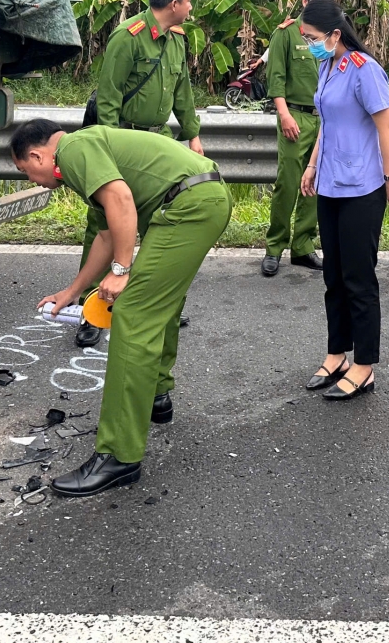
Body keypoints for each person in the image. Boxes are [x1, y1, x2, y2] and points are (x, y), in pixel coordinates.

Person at [12, 118, 231, 496]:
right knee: (160, 303)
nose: (31, 179)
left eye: (25, 171)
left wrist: (121, 270)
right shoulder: (87, 158)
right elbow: (107, 233)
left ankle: (118, 455)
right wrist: (74, 290)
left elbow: (121, 201)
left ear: (37, 155)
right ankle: (156, 396)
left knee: (134, 313)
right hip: (198, 200)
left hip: (188, 206)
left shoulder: (75, 150)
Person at [74, 0, 204, 349]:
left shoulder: (176, 40)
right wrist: (109, 152)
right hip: (122, 141)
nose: (191, 7)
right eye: (190, 0)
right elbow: (109, 99)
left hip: (158, 145)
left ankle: (149, 304)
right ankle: (91, 309)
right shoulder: (126, 38)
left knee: (154, 226)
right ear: (174, 3)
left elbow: (183, 92)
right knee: (104, 225)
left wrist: (193, 134)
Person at [299, 0, 389, 400]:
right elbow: (327, 124)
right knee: (333, 277)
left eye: (311, 37)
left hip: (362, 187)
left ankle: (364, 366)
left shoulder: (366, 70)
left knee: (359, 279)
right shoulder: (326, 65)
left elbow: (388, 126)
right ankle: (336, 354)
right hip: (329, 184)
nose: (308, 44)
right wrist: (311, 167)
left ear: (335, 34)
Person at [260, 0, 336, 277]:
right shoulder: (287, 33)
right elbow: (275, 77)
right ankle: (274, 247)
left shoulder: (331, 36)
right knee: (289, 183)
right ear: (304, 2)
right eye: (316, 1)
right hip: (294, 117)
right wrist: (284, 114)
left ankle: (303, 246)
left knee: (314, 182)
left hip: (324, 118)